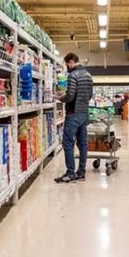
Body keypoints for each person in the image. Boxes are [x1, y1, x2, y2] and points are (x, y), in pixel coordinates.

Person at [55, 53, 94, 183]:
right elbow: (89, 95)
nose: (67, 67)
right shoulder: (88, 75)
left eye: (67, 64)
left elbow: (70, 96)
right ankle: (81, 172)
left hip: (73, 114)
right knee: (82, 143)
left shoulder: (73, 75)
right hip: (84, 113)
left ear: (71, 62)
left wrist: (61, 97)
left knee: (68, 143)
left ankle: (70, 173)